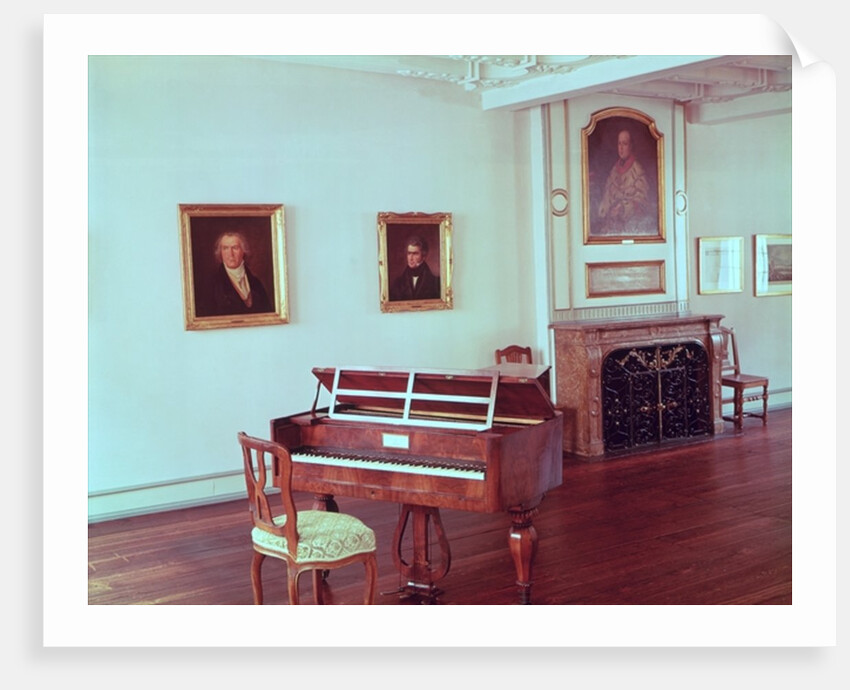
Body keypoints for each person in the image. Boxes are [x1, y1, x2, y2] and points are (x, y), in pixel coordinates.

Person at [597, 128, 654, 236]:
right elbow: (607, 196)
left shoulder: (637, 169)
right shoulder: (614, 170)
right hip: (613, 222)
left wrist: (623, 208)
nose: (621, 148)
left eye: (625, 144)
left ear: (631, 146)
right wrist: (608, 209)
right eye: (619, 144)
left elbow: (643, 201)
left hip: (632, 222)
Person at [207, 231, 272, 315]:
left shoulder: (256, 283)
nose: (230, 254)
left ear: (243, 251)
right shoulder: (212, 284)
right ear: (220, 252)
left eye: (235, 248)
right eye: (225, 248)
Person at [389, 235, 440, 301]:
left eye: (415, 254)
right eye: (409, 253)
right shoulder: (398, 283)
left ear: (423, 256)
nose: (411, 258)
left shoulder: (435, 283)